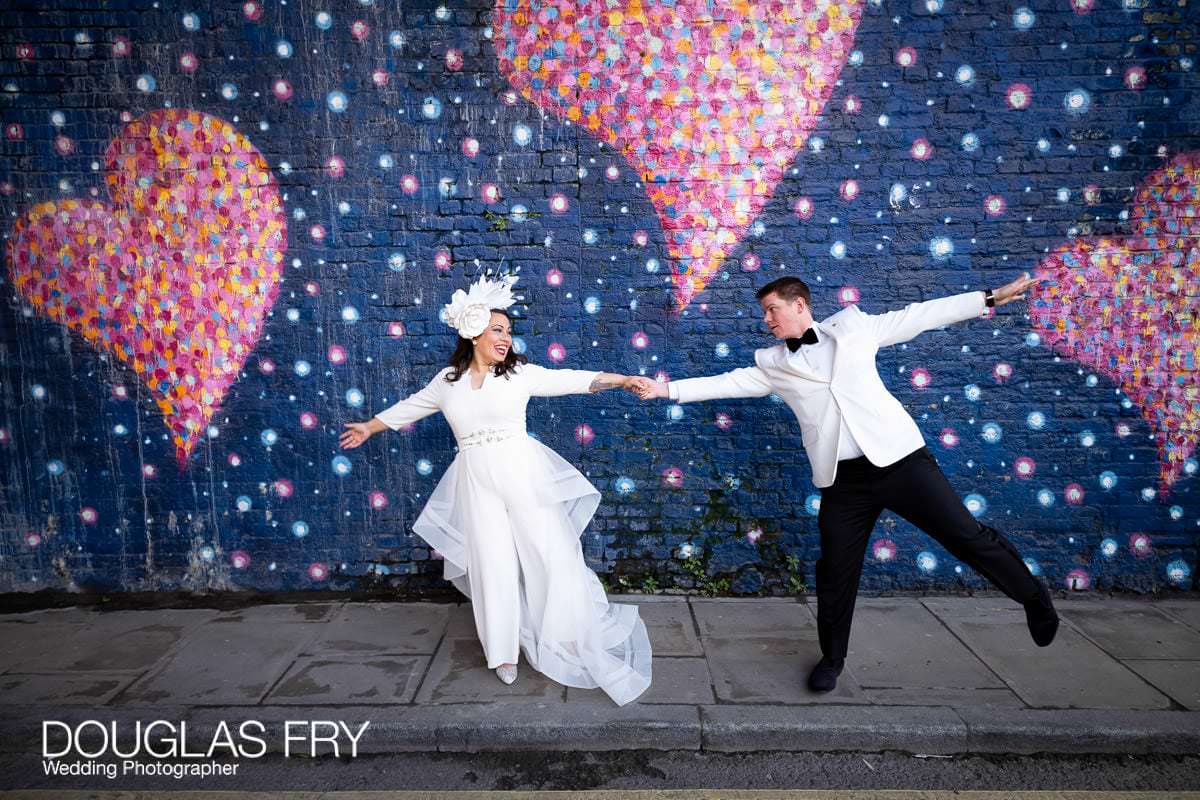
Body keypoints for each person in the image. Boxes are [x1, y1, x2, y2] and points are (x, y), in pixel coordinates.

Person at [631, 274, 1058, 693]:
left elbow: (920, 315)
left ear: (799, 305)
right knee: (835, 570)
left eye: (772, 309)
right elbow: (726, 383)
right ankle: (833, 660)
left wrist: (989, 298)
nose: (767, 320)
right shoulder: (773, 364)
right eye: (765, 313)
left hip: (901, 460)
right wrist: (665, 390)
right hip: (843, 481)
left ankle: (1032, 597)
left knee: (967, 536)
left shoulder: (854, 328)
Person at [340, 275, 652, 705]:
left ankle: (567, 632)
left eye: (508, 331)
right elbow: (411, 406)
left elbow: (572, 379)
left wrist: (620, 380)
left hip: (523, 473)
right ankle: (502, 652)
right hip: (475, 480)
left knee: (550, 552)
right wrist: (369, 426)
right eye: (497, 330)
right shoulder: (446, 382)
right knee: (493, 565)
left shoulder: (519, 375)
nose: (506, 338)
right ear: (473, 334)